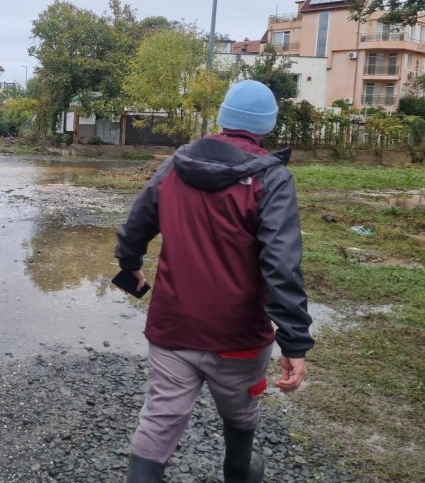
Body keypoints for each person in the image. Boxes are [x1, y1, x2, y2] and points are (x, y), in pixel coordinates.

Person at [115, 80, 314, 483]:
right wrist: (293, 341)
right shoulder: (271, 179)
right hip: (238, 338)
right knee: (240, 415)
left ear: (223, 117)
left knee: (158, 423)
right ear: (266, 126)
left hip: (173, 328)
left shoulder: (176, 165)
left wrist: (130, 262)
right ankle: (240, 471)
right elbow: (281, 264)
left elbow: (137, 223)